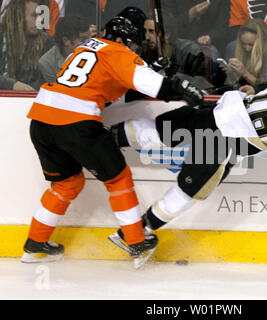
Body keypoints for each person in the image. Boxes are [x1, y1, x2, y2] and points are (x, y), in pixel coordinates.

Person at [21, 16, 204, 268]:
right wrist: (180, 88)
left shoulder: (85, 48)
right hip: (76, 123)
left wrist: (153, 72)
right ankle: (136, 244)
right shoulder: (119, 52)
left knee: (66, 185)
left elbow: (109, 93)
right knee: (118, 179)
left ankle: (34, 244)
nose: (134, 49)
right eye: (132, 45)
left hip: (41, 120)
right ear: (120, 40)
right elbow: (156, 87)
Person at [108, 69, 267, 251]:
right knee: (189, 191)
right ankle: (134, 235)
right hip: (219, 143)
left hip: (213, 113)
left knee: (157, 131)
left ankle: (100, 140)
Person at [0, 0, 54, 90]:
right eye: (34, 15)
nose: (40, 20)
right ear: (18, 17)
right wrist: (12, 85)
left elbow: (53, 78)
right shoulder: (2, 40)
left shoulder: (48, 42)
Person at [221, 19, 267, 89]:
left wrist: (245, 73)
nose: (247, 48)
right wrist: (232, 73)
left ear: (262, 40)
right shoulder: (243, 51)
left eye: (251, 45)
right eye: (243, 44)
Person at [39, 15, 91, 83]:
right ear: (66, 41)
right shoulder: (48, 63)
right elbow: (57, 91)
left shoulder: (96, 52)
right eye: (83, 39)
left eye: (89, 37)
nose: (89, 43)